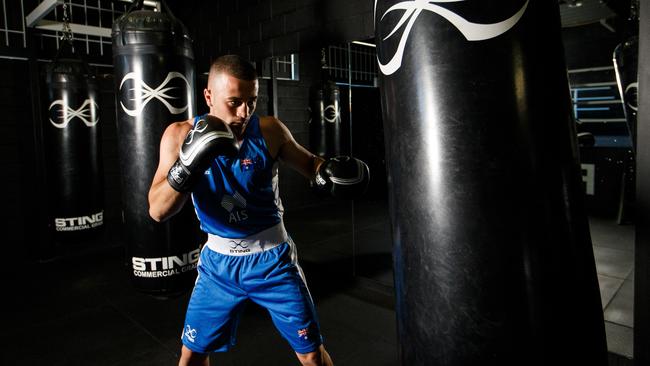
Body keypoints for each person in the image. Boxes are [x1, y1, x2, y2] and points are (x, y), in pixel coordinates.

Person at [148, 54, 368, 366]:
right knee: (192, 355)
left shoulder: (269, 130)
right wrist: (187, 166)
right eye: (234, 102)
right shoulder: (180, 135)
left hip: (273, 260)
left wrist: (330, 172)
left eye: (251, 101)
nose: (244, 112)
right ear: (208, 96)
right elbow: (157, 210)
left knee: (311, 355)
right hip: (218, 267)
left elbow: (310, 165)